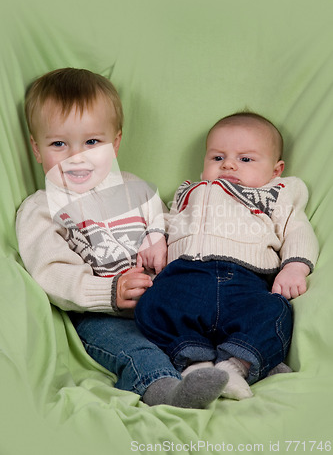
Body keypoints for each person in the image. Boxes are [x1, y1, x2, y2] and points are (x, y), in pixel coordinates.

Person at [16, 68, 229, 408]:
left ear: (114, 143)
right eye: (58, 144)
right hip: (102, 314)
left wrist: (157, 237)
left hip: (162, 298)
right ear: (37, 149)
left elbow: (162, 218)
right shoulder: (41, 209)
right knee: (134, 350)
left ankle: (247, 360)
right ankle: (166, 391)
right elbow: (50, 270)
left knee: (210, 315)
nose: (76, 156)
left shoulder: (132, 186)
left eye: (92, 142)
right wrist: (109, 292)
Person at [135, 112, 319, 400]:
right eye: (217, 158)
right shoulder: (188, 193)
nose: (229, 164)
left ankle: (235, 366)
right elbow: (167, 222)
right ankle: (196, 366)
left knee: (275, 312)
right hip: (185, 276)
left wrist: (295, 266)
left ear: (275, 169)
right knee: (151, 304)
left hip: (245, 281)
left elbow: (296, 228)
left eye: (246, 159)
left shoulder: (277, 193)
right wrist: (156, 241)